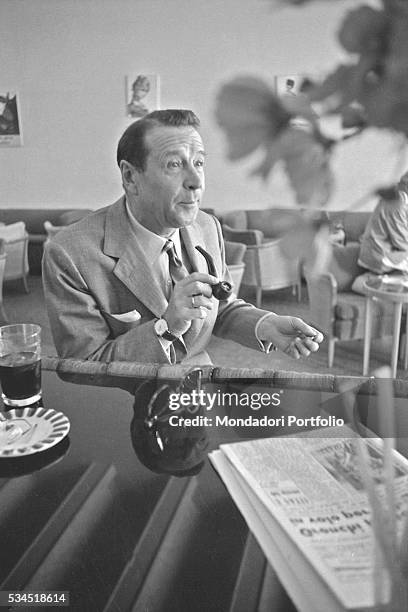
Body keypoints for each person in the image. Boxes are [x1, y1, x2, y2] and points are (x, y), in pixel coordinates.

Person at [42, 109, 323, 365]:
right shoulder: (69, 253)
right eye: (175, 164)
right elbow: (83, 366)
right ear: (130, 177)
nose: (196, 181)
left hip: (197, 384)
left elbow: (219, 305)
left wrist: (265, 325)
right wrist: (167, 327)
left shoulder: (207, 226)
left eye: (199, 163)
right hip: (122, 402)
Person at [358, 171, 408, 275]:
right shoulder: (397, 202)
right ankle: (373, 281)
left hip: (385, 252)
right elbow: (402, 242)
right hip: (378, 256)